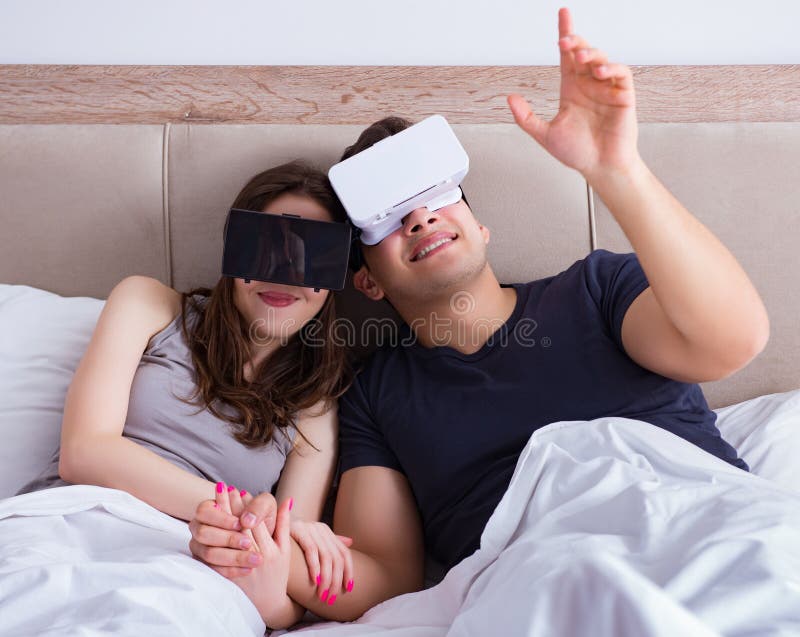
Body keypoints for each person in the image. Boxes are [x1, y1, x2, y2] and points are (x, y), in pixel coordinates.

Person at [186, 7, 770, 624]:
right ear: (367, 281)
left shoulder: (598, 290)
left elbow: (732, 341)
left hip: (715, 531)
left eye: (438, 197)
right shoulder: (374, 393)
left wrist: (617, 171)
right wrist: (265, 557)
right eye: (389, 219)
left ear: (480, 225)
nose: (421, 218)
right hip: (548, 582)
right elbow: (384, 574)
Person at [16, 160, 357, 629]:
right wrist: (247, 517)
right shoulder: (149, 303)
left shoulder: (314, 407)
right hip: (72, 518)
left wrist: (263, 569)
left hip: (193, 565)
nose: (284, 276)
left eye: (310, 256)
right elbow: (84, 452)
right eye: (266, 248)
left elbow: (283, 591)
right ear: (234, 254)